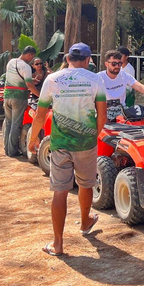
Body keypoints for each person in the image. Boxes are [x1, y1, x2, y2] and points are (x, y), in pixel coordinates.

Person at [28, 43, 107, 257]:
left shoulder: (53, 80)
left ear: (68, 58)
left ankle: (58, 244)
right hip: (86, 143)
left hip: (60, 144)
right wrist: (93, 135)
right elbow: (102, 116)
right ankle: (85, 222)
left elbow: (41, 115)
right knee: (86, 184)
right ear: (89, 59)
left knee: (60, 191)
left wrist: (33, 138)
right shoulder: (96, 80)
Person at [98, 49, 144, 121]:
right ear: (106, 64)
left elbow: (140, 87)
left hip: (122, 111)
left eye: (119, 64)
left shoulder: (125, 76)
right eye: (114, 64)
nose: (117, 66)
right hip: (104, 111)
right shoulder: (98, 78)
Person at [3, 45, 40, 157]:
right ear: (29, 55)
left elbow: (15, 78)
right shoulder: (26, 67)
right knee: (16, 125)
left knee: (8, 123)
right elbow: (29, 85)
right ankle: (13, 151)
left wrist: (31, 80)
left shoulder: (11, 62)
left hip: (7, 96)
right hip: (19, 98)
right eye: (32, 57)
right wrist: (40, 95)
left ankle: (7, 149)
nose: (31, 59)